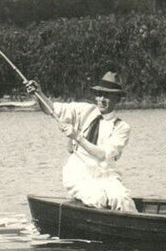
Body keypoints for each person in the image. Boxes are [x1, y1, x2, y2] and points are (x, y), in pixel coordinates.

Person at [24, 72, 136, 212]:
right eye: (99, 94)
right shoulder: (83, 110)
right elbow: (51, 109)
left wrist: (77, 137)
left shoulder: (122, 127)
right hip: (79, 174)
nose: (101, 99)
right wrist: (38, 93)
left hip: (107, 176)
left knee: (123, 199)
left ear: (117, 99)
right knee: (98, 199)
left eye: (107, 95)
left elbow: (102, 155)